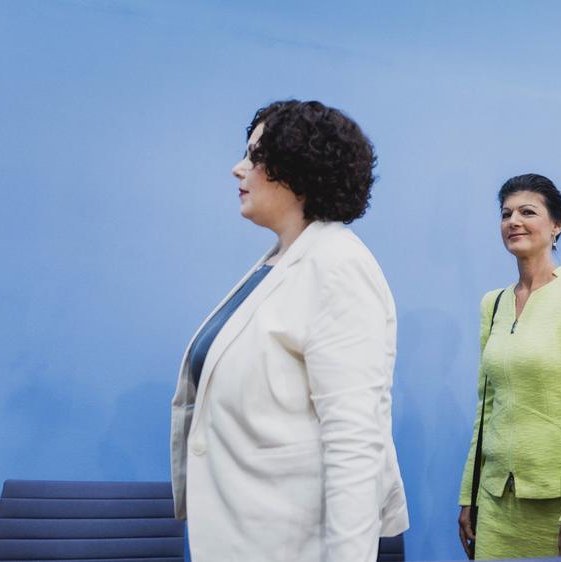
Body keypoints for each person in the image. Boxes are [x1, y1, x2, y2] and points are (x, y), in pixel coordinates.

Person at [169, 100, 409, 562]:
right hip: (246, 536)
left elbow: (355, 443)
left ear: (300, 168)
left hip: (294, 545)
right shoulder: (279, 263)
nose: (239, 170)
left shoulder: (337, 266)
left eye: (255, 157)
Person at [457, 174, 561, 559]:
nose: (513, 221)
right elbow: (487, 407)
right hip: (495, 504)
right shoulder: (492, 303)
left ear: (556, 225)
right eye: (506, 213)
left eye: (527, 212)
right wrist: (470, 495)